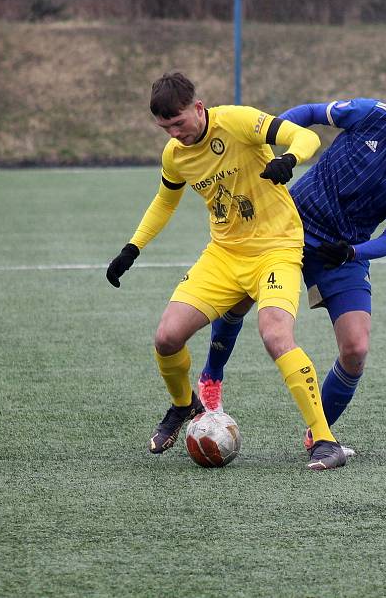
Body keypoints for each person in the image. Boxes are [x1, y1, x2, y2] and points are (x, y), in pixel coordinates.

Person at [196, 79, 386, 455]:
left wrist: (353, 252)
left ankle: (318, 431)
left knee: (356, 348)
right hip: (289, 223)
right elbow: (310, 114)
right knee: (237, 300)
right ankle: (211, 378)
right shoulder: (372, 114)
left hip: (341, 249)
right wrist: (270, 151)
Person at [106, 72, 348, 471]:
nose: (175, 134)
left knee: (275, 335)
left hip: (276, 249)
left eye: (179, 123)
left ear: (198, 108)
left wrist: (289, 159)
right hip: (223, 255)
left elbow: (308, 138)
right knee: (167, 337)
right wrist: (132, 247)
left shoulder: (235, 121)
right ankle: (185, 405)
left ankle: (324, 440)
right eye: (165, 128)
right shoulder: (175, 154)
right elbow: (165, 202)